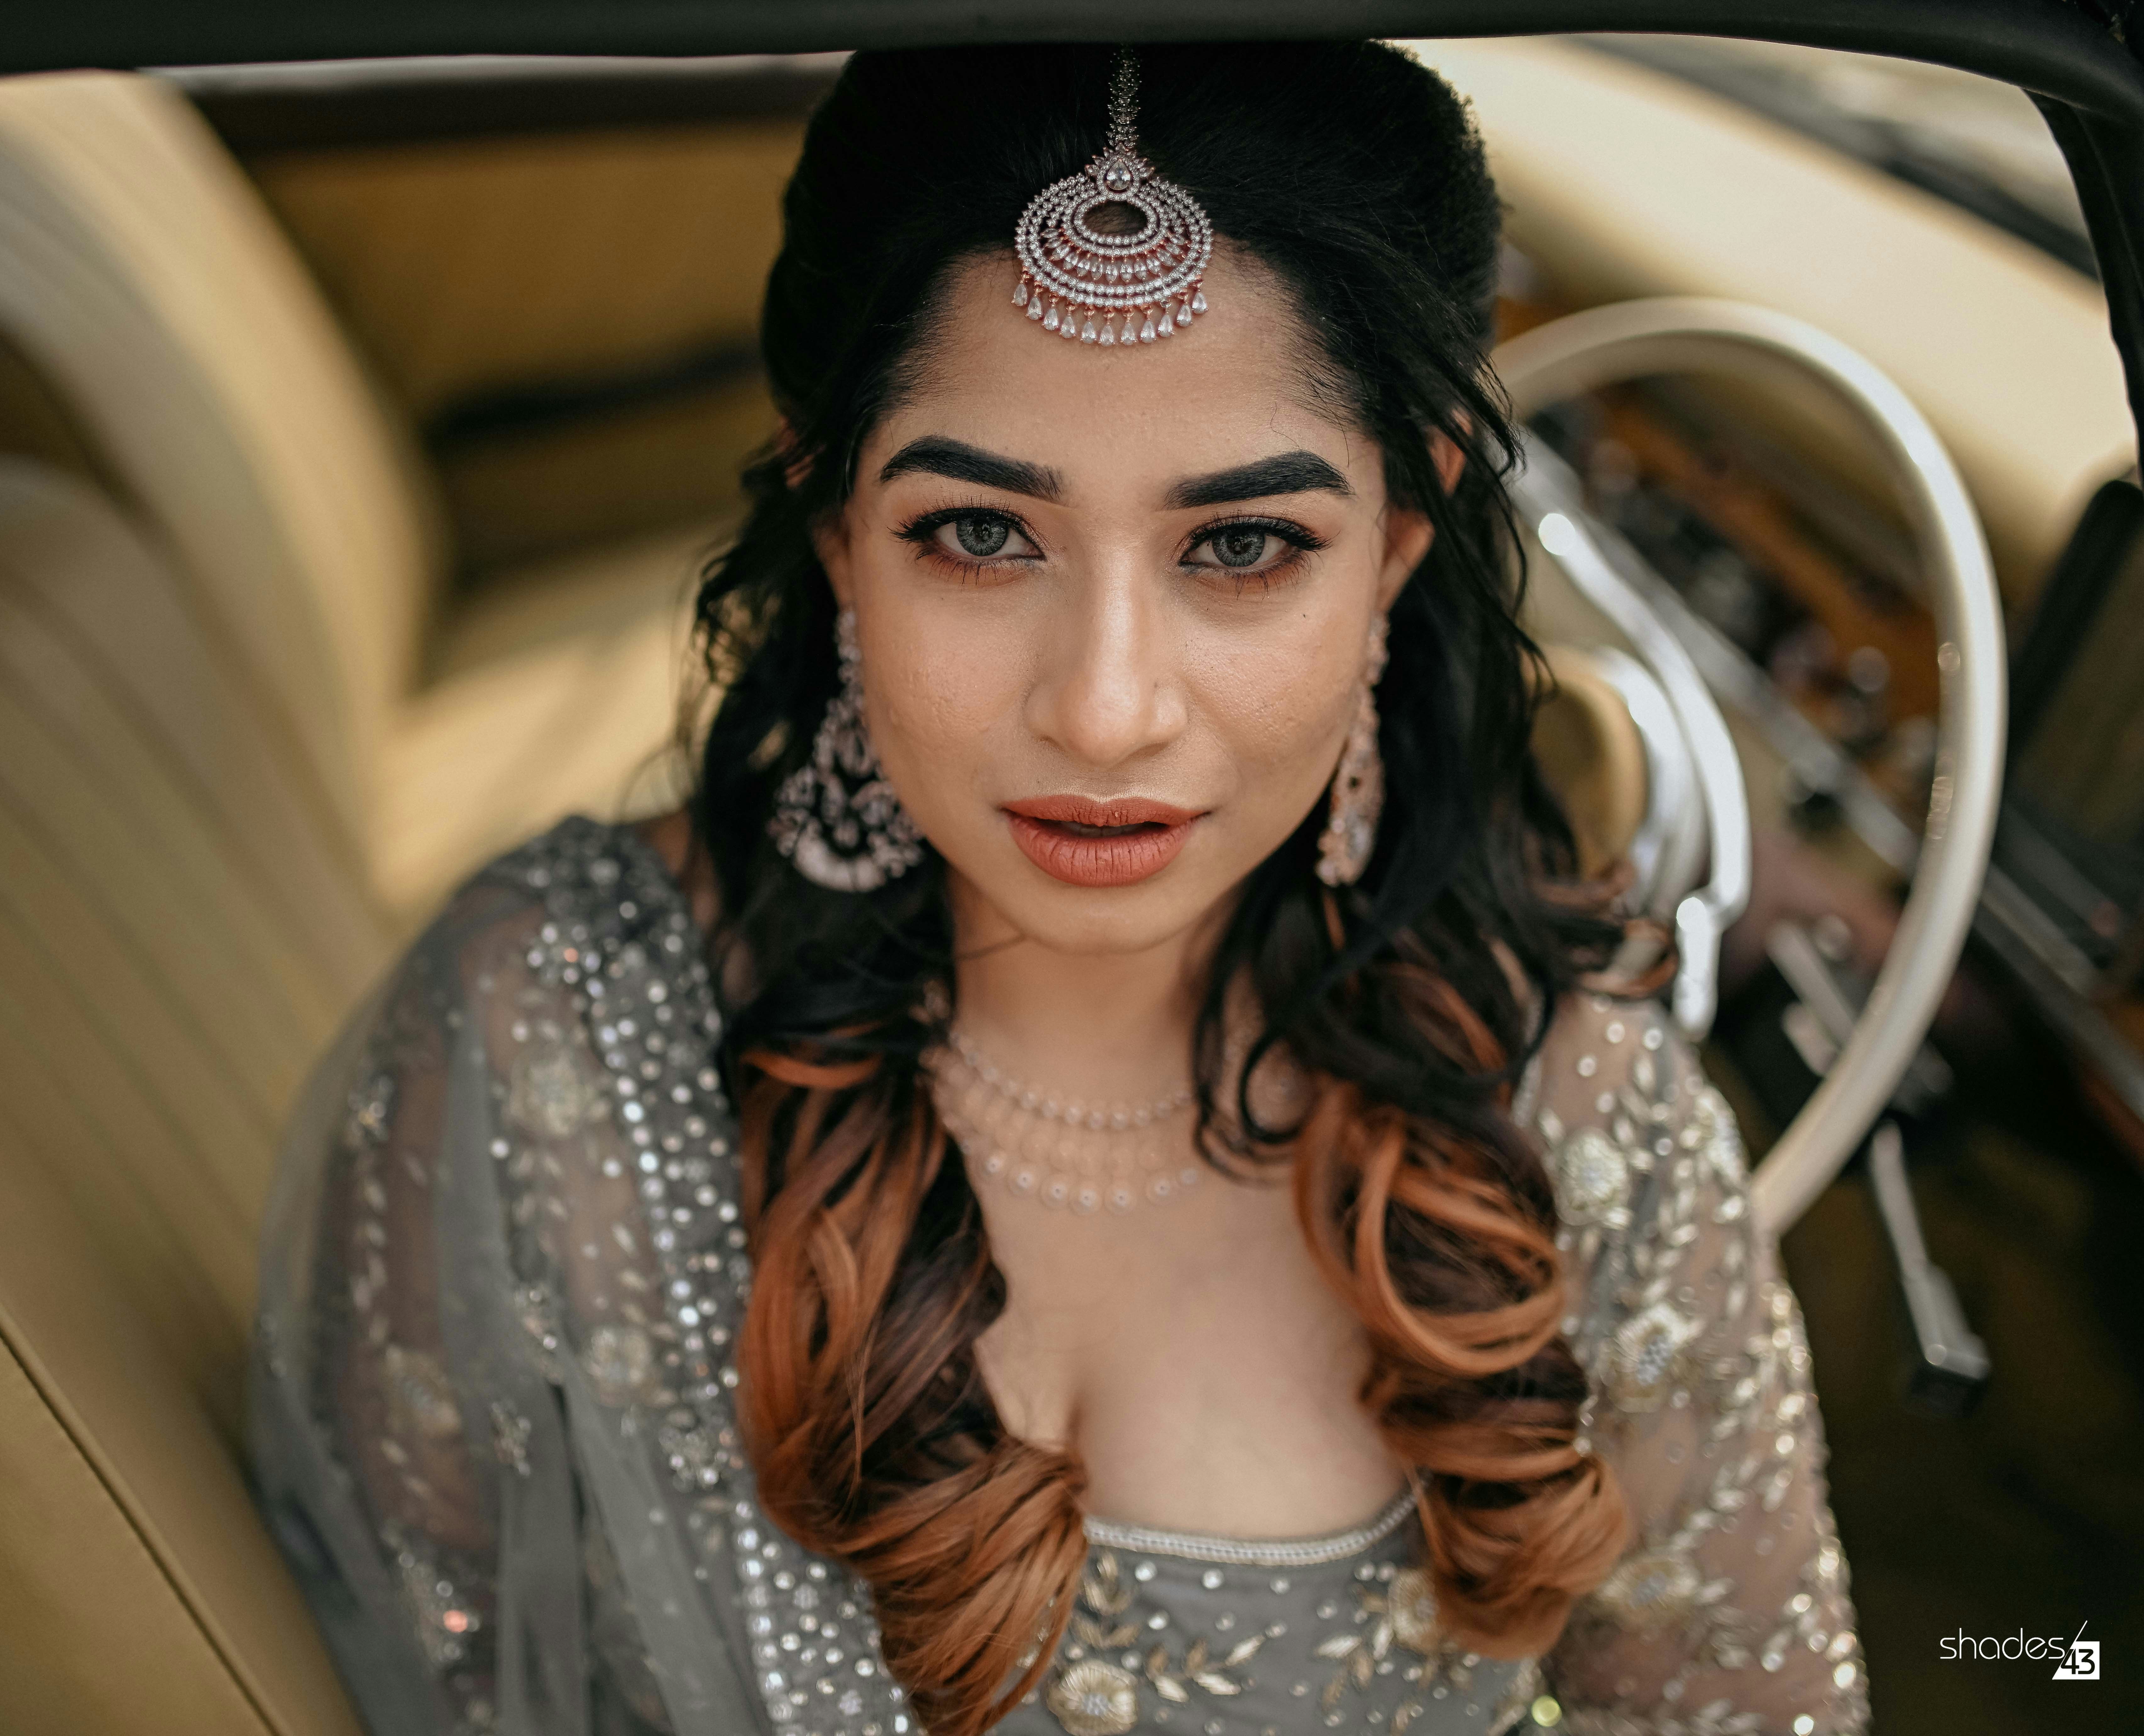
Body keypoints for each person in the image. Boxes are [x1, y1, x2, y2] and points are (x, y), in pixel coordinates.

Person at [249, 39, 1868, 1736]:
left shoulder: (1580, 1113)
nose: (1106, 707)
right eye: (980, 533)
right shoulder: (552, 1047)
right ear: (834, 527)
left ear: (1397, 545)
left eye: (1240, 547)